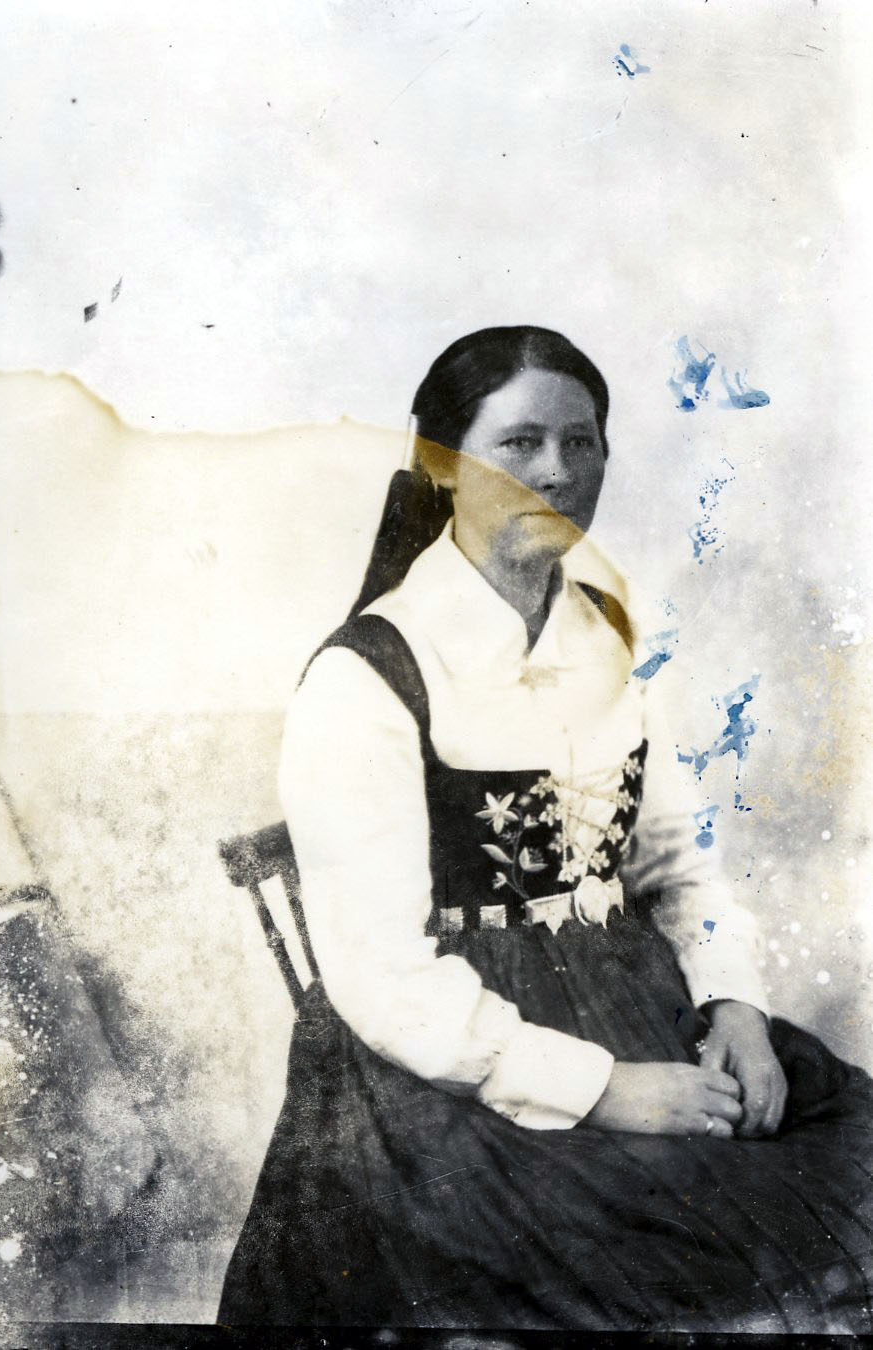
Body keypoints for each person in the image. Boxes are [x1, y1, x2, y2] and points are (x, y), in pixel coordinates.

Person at [218, 327, 873, 1333]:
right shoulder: (366, 676)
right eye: (518, 443)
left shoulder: (610, 635)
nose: (557, 472)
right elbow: (383, 980)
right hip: (441, 1084)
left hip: (632, 1001)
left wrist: (736, 1008)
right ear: (444, 463)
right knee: (682, 1248)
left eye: (581, 442)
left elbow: (679, 863)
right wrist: (604, 1091)